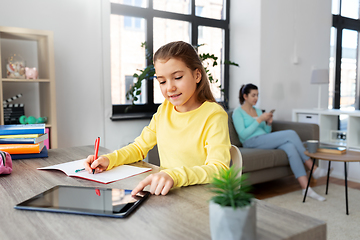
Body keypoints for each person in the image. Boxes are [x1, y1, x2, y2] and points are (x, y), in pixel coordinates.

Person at [84, 41, 231, 196]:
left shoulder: (214, 115)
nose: (169, 87)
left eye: (178, 77)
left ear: (197, 75)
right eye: (162, 81)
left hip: (201, 198)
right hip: (168, 194)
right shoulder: (164, 110)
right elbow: (139, 148)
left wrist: (175, 176)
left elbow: (219, 169)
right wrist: (108, 159)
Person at [232, 83, 329, 201]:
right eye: (253, 95)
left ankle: (306, 188)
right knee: (291, 134)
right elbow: (243, 134)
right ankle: (313, 168)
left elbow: (266, 132)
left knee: (290, 147)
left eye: (257, 95)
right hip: (250, 142)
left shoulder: (257, 110)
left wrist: (268, 123)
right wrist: (259, 119)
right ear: (245, 96)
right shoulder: (238, 112)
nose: (256, 98)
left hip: (263, 139)